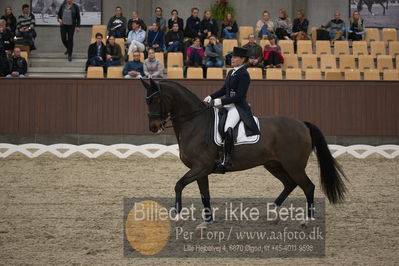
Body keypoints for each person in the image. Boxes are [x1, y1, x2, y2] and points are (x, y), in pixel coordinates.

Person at [203, 46, 260, 171]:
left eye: (235, 57)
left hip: (238, 107)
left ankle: (227, 158)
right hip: (228, 105)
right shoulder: (231, 72)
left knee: (227, 127)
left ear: (242, 59)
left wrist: (221, 101)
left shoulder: (244, 74)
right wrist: (211, 96)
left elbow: (239, 97)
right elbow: (224, 90)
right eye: (232, 57)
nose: (232, 59)